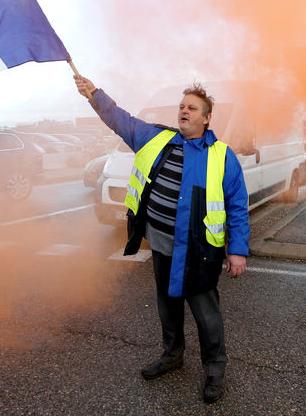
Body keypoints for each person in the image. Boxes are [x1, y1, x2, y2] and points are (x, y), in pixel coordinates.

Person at [74, 75, 250, 404]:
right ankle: (172, 354)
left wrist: (237, 251)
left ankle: (214, 368)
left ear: (207, 117)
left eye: (192, 107)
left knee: (205, 313)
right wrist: (94, 94)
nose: (184, 110)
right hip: (161, 242)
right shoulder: (156, 138)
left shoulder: (222, 156)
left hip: (200, 250)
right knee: (167, 305)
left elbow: (238, 207)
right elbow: (119, 119)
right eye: (182, 106)